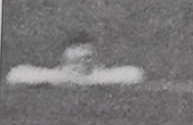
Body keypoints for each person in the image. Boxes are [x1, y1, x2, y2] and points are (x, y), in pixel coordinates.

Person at [5, 32, 144, 85]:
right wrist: (66, 79)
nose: (83, 55)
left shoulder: (101, 76)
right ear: (62, 55)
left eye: (87, 51)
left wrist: (86, 81)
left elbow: (135, 74)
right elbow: (15, 75)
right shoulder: (51, 75)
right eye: (77, 49)